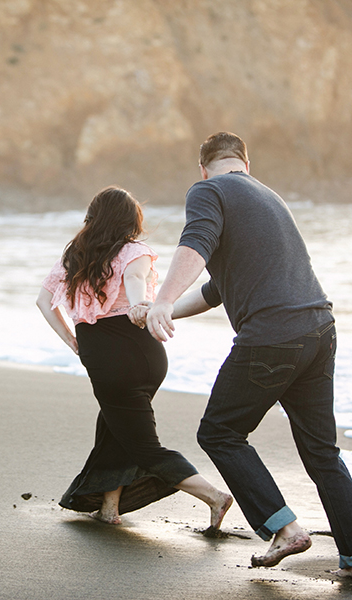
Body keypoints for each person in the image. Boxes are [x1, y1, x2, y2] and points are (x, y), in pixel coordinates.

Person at [143, 132, 352, 583]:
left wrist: (159, 297)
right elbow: (217, 290)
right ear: (245, 164)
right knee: (322, 453)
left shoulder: (208, 190)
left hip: (274, 335)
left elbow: (195, 242)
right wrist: (166, 308)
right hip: (319, 330)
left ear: (203, 168)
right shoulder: (266, 197)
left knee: (219, 431)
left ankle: (284, 527)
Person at [36, 186, 233, 529]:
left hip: (110, 358)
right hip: (143, 353)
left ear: (93, 217)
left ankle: (214, 496)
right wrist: (138, 306)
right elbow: (134, 278)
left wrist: (72, 339)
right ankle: (109, 508)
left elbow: (44, 300)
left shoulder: (75, 256)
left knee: (143, 445)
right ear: (131, 220)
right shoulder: (134, 250)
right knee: (114, 426)